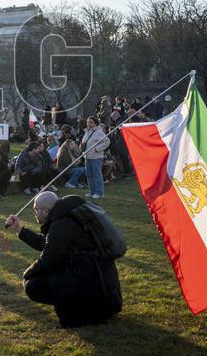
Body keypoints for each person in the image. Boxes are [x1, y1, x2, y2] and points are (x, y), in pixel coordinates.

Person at [6, 192, 122, 327]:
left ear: (46, 211)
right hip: (103, 288)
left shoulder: (62, 225)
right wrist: (19, 230)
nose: (34, 212)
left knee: (33, 285)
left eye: (36, 209)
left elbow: (48, 261)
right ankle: (81, 306)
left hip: (94, 287)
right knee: (44, 276)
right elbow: (48, 244)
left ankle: (82, 311)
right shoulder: (69, 216)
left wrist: (26, 274)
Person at [80, 117, 110, 199]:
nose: (89, 124)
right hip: (87, 157)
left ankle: (99, 193)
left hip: (96, 157)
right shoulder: (87, 132)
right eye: (88, 122)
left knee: (97, 175)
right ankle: (92, 192)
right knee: (89, 175)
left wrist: (97, 149)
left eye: (91, 122)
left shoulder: (99, 132)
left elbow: (107, 141)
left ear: (95, 123)